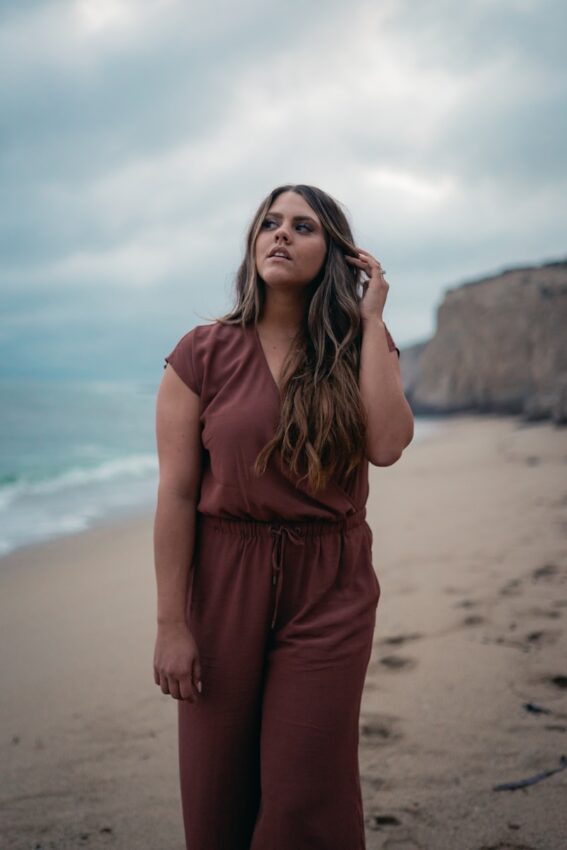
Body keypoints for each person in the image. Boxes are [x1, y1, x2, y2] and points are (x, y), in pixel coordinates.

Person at [153, 183, 414, 850]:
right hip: (222, 582)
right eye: (269, 223)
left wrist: (372, 318)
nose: (280, 234)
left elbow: (386, 446)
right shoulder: (200, 353)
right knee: (216, 797)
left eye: (302, 227)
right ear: (251, 243)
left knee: (305, 797)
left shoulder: (357, 345)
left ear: (334, 253)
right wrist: (171, 624)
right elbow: (177, 494)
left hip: (329, 583)